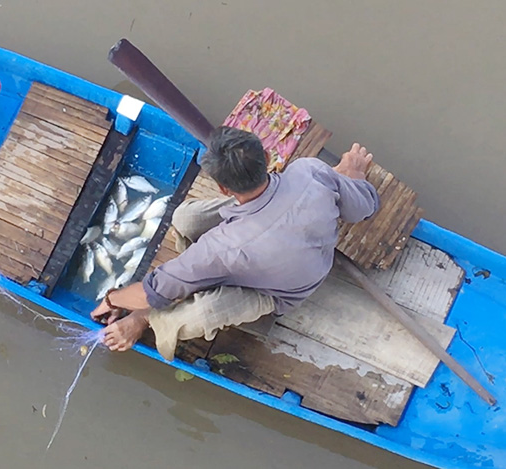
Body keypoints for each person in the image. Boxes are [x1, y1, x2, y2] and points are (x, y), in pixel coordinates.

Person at [90, 125, 380, 360]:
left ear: (223, 187)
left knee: (200, 310)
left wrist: (111, 299)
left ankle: (142, 322)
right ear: (267, 158)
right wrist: (352, 177)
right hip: (278, 250)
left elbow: (153, 293)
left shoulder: (219, 248)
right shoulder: (311, 171)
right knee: (185, 218)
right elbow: (363, 207)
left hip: (279, 292)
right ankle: (198, 279)